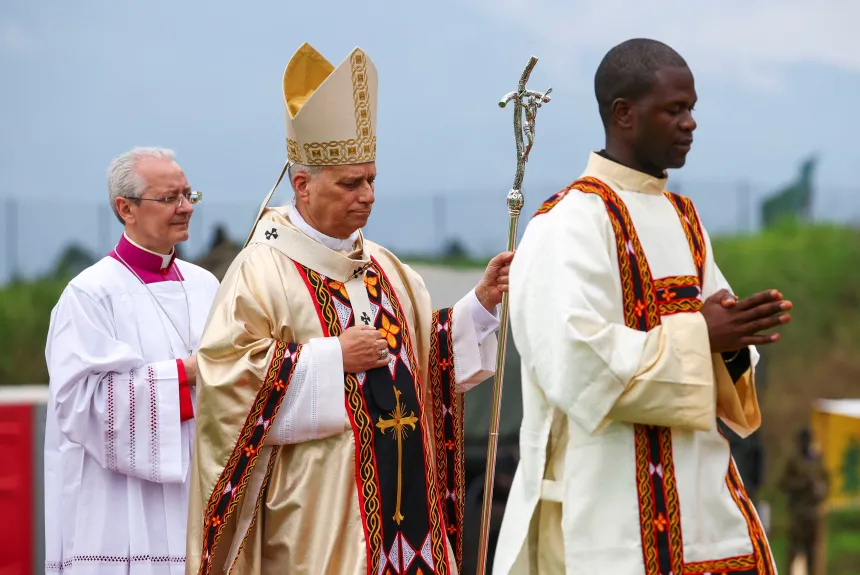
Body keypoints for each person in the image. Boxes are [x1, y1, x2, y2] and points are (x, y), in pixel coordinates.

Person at [184, 43, 512, 575]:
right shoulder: (262, 269)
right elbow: (226, 381)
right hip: (321, 524)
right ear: (303, 186)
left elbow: (426, 361)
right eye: (350, 183)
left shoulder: (387, 267)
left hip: (410, 527)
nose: (368, 197)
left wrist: (479, 305)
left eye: (372, 180)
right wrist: (332, 358)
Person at [492, 38, 792, 575]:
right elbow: (578, 364)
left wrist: (735, 342)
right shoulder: (567, 224)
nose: (690, 123)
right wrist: (702, 336)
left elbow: (720, 354)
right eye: (674, 109)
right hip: (606, 516)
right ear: (623, 114)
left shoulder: (684, 217)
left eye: (692, 108)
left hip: (705, 513)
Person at [43, 147, 220, 574]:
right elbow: (80, 406)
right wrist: (185, 376)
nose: (186, 207)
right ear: (126, 209)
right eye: (170, 198)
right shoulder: (89, 294)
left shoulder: (208, 286)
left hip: (198, 497)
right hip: (117, 510)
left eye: (188, 194)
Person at [779, 428, 829, 575]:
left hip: (814, 513)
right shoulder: (793, 460)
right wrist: (803, 483)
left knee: (813, 552)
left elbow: (827, 480)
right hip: (798, 513)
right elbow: (783, 484)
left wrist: (821, 490)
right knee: (794, 551)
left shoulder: (818, 459)